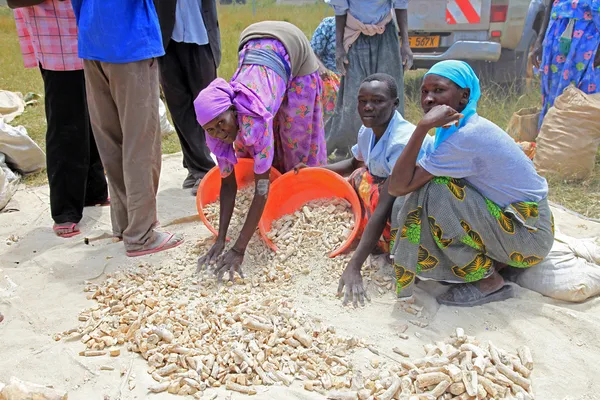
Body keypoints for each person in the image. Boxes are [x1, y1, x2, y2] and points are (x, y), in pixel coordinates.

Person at [385, 60, 554, 307]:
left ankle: (488, 281)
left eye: (439, 90)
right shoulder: (454, 130)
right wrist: (425, 129)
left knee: (437, 191)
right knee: (422, 188)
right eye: (424, 91)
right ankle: (489, 262)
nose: (429, 99)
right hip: (518, 225)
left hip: (529, 236)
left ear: (464, 96)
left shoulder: (466, 136)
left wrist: (421, 127)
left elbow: (397, 187)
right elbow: (401, 181)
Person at [194, 21, 328, 281]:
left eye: (222, 123)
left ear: (234, 109)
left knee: (295, 140)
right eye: (212, 129)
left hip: (292, 49)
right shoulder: (214, 132)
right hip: (253, 42)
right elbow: (228, 185)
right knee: (250, 151)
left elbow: (261, 189)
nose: (220, 132)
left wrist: (238, 249)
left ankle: (298, 195)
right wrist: (220, 239)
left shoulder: (254, 116)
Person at [70, 0, 184, 256]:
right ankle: (142, 234)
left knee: (111, 141)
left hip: (92, 41)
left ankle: (124, 224)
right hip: (130, 42)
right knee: (140, 142)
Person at [315, 73, 433, 307]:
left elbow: (386, 204)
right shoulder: (369, 129)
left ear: (395, 104)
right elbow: (353, 162)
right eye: (363, 100)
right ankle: (366, 230)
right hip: (385, 187)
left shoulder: (400, 141)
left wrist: (354, 266)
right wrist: (314, 171)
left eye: (377, 101)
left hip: (413, 199)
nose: (368, 107)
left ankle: (384, 244)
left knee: (377, 199)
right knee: (359, 176)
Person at [9, 0, 109, 238]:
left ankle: (93, 191)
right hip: (58, 44)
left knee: (91, 116)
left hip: (88, 37)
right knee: (66, 126)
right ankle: (65, 211)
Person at [324, 0, 413, 160]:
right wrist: (339, 48)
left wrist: (405, 44)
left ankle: (392, 149)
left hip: (385, 35)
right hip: (355, 36)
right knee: (354, 98)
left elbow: (400, 5)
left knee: (389, 91)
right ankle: (351, 152)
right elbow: (340, 11)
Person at [154, 0, 221, 196]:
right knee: (179, 108)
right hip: (168, 40)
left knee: (208, 108)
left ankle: (207, 166)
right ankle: (198, 168)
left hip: (201, 37)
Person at [530, 0, 600, 128]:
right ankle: (554, 139)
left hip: (590, 36)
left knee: (586, 96)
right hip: (558, 33)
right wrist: (540, 39)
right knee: (555, 95)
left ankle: (582, 143)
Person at [310, 16, 341, 124]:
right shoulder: (329, 24)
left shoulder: (364, 28)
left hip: (353, 76)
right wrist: (321, 67)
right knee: (330, 89)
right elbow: (311, 52)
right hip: (329, 74)